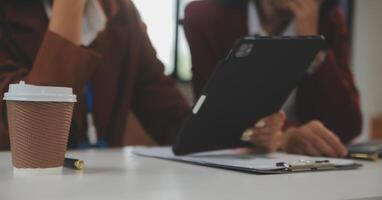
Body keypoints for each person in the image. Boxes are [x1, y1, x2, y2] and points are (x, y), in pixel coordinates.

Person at [0, 0, 284, 152]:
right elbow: (34, 134)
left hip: (97, 187)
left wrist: (247, 134)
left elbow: (174, 121)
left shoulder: (119, 12)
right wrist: (70, 6)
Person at [184, 0, 361, 157]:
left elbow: (347, 126)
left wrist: (314, 51)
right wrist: (287, 134)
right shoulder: (205, 16)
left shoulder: (327, 19)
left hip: (301, 165)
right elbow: (213, 112)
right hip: (238, 161)